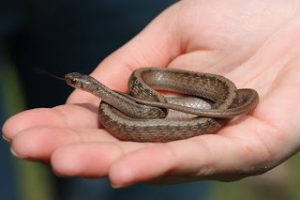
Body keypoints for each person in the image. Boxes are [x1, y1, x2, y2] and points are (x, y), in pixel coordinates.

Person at [3, 0, 300, 190]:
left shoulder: (131, 89)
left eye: (75, 82)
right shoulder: (113, 97)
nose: (73, 84)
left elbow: (155, 111)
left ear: (85, 85)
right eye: (74, 82)